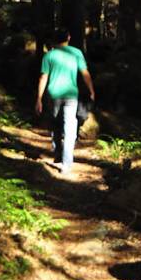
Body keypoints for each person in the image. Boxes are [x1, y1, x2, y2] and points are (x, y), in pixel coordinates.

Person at [35, 28, 95, 175]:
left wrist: (39, 98)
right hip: (71, 95)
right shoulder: (76, 53)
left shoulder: (49, 55)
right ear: (68, 37)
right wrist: (92, 90)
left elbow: (43, 77)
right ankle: (66, 163)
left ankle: (58, 152)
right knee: (70, 126)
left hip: (53, 94)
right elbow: (85, 73)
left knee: (55, 123)